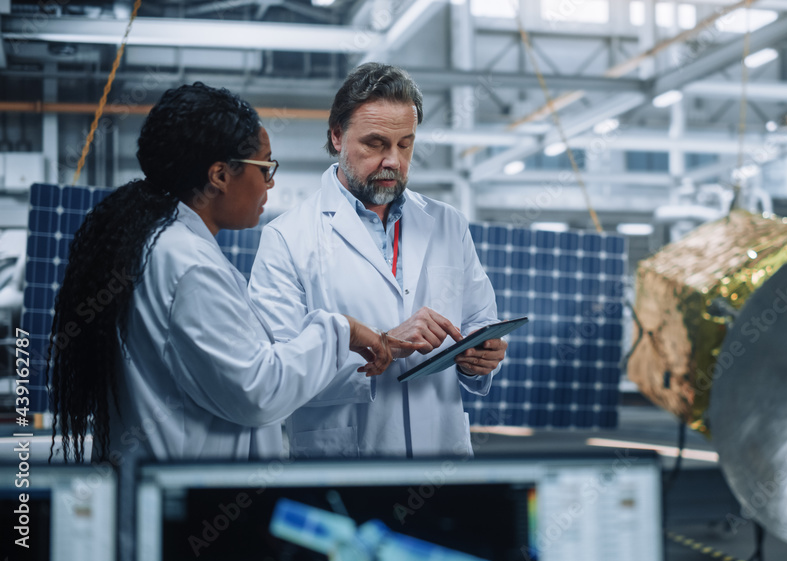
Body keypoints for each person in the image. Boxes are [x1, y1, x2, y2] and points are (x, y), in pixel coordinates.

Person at [48, 82, 416, 467]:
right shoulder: (189, 264)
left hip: (170, 484)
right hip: (191, 497)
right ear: (220, 176)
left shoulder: (162, 243)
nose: (270, 183)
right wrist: (341, 329)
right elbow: (258, 392)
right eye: (264, 166)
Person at [249, 63, 507, 459]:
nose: (393, 161)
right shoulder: (288, 238)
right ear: (337, 136)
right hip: (345, 459)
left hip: (443, 456)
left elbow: (479, 323)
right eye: (375, 143)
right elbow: (279, 376)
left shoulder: (447, 224)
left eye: (405, 144)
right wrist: (384, 343)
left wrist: (480, 358)